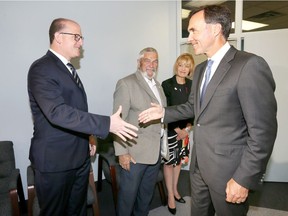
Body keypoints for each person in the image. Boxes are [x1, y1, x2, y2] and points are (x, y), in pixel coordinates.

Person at [139, 5, 277, 216]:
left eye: (194, 30)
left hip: (230, 171)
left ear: (215, 29)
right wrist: (164, 113)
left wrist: (243, 178)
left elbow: (263, 131)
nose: (189, 37)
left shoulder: (249, 65)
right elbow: (193, 107)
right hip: (199, 166)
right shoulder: (202, 69)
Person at [27, 18, 137, 216]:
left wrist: (89, 135)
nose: (81, 42)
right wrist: (106, 123)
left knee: (77, 211)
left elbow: (76, 110)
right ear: (58, 37)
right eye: (76, 37)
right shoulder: (41, 68)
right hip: (55, 162)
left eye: (81, 37)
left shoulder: (69, 70)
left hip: (78, 159)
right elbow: (57, 113)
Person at [113, 47, 167, 216]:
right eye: (147, 60)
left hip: (154, 153)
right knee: (127, 199)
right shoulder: (126, 83)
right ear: (139, 62)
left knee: (145, 198)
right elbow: (118, 121)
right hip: (134, 154)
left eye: (155, 61)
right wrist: (122, 152)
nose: (152, 64)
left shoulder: (158, 86)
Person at [161, 53, 194, 215]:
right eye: (181, 65)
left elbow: (194, 109)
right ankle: (170, 197)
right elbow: (165, 110)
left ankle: (175, 190)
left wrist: (187, 129)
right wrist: (178, 130)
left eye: (186, 66)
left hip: (185, 131)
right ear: (176, 66)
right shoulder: (166, 84)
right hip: (171, 131)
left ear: (190, 69)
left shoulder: (192, 85)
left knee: (179, 161)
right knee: (169, 163)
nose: (183, 68)